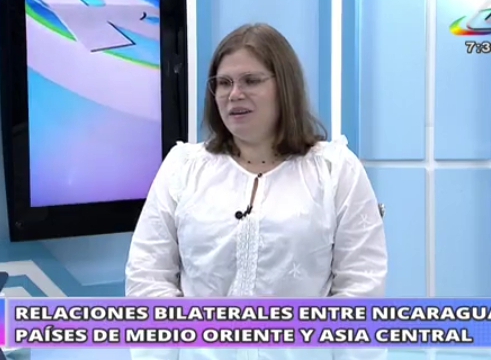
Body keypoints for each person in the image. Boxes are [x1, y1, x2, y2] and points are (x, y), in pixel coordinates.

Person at [125, 23, 388, 360]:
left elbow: (361, 289)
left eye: (251, 80)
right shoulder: (183, 167)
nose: (234, 94)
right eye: (224, 83)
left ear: (285, 87)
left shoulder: (335, 170)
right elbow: (148, 278)